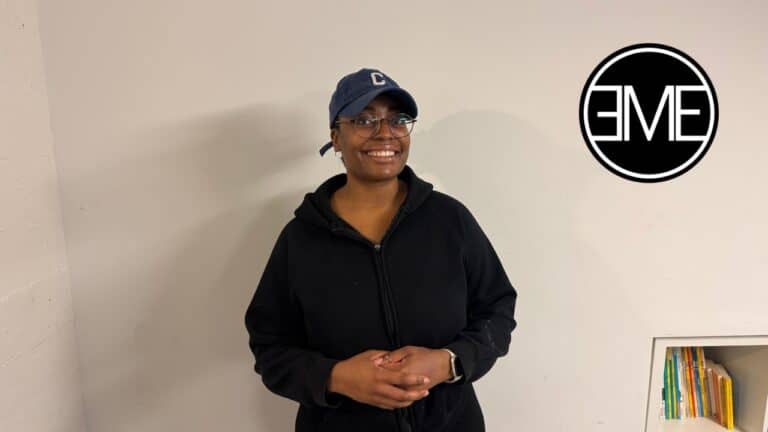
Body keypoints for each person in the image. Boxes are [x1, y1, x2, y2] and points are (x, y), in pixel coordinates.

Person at [244, 68, 518, 432]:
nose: (385, 132)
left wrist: (449, 362)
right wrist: (337, 377)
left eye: (397, 119)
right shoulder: (300, 240)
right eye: (364, 120)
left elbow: (497, 309)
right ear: (335, 138)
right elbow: (270, 347)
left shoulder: (450, 220)